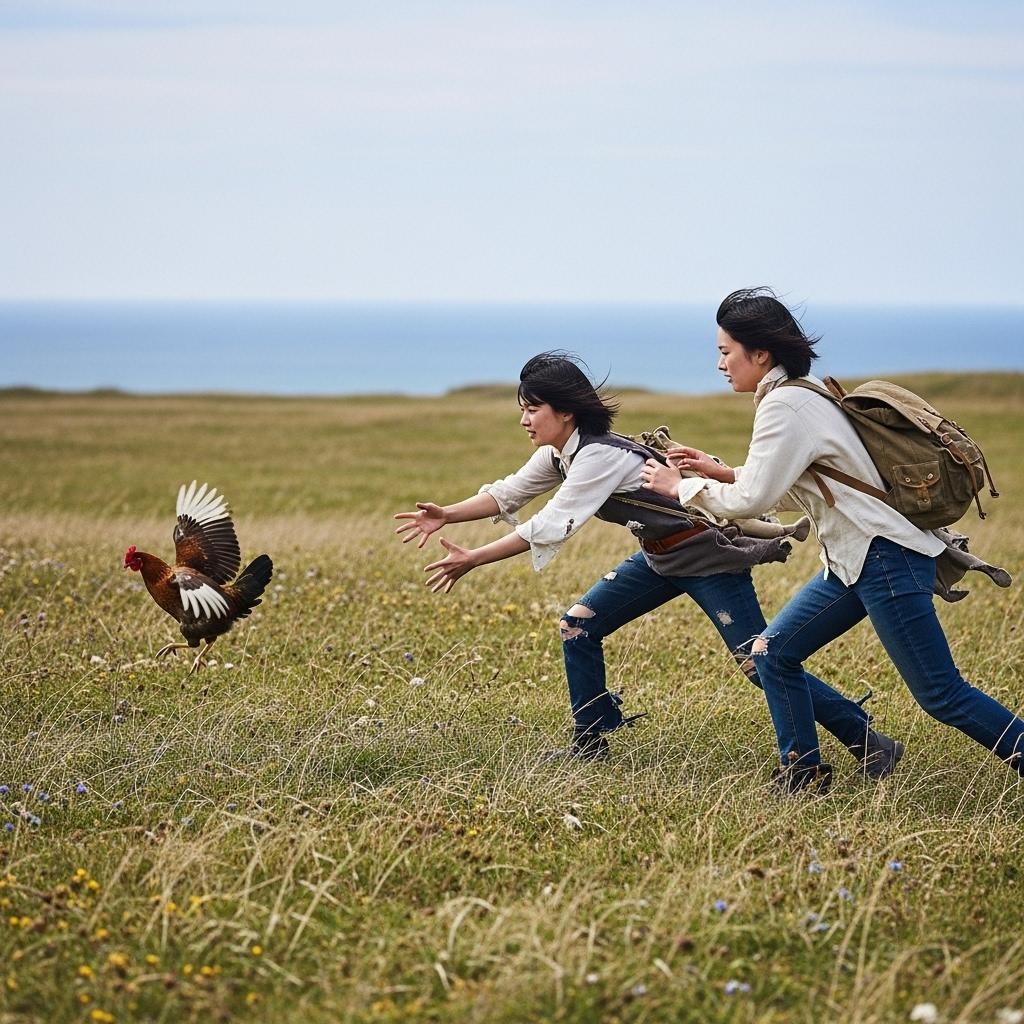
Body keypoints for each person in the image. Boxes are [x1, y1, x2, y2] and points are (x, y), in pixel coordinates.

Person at [393, 351, 903, 770]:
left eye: (533, 408)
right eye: (521, 409)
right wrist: (448, 514)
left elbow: (549, 525)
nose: (525, 420)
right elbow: (511, 493)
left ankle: (869, 744)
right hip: (659, 559)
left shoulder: (597, 455)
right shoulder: (560, 453)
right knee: (578, 627)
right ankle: (590, 743)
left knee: (757, 662)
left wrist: (474, 559)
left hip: (706, 557)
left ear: (565, 412)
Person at [641, 288, 1024, 792]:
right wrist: (721, 472)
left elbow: (753, 501)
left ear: (760, 354)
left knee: (941, 694)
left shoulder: (785, 406)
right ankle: (801, 774)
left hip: (883, 558)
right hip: (856, 560)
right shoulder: (805, 392)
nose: (719, 364)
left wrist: (681, 486)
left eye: (724, 351)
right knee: (771, 654)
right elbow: (797, 489)